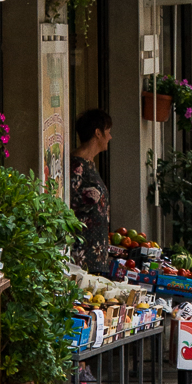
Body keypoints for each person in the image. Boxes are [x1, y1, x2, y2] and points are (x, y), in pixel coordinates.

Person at [70, 108, 113, 275]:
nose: (110, 137)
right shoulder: (77, 166)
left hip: (96, 253)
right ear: (98, 133)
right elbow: (72, 203)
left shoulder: (90, 164)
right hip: (83, 253)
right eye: (108, 132)